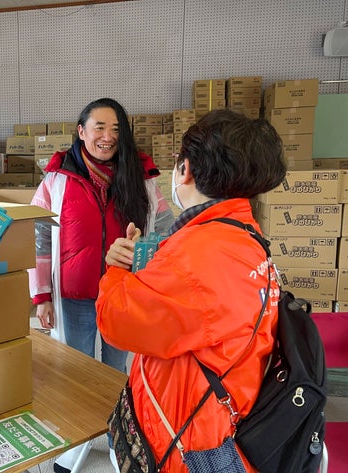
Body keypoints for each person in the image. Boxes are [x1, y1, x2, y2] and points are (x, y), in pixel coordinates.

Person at [97, 108, 287, 473]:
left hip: (186, 439)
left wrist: (117, 270)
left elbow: (116, 321)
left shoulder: (197, 253)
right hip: (227, 411)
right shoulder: (245, 236)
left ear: (186, 170)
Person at [28, 98, 174, 472]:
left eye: (115, 129)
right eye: (99, 128)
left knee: (117, 373)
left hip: (123, 294)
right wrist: (42, 295)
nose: (108, 137)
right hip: (74, 296)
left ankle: (116, 442)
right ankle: (70, 449)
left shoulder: (140, 178)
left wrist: (148, 253)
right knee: (74, 375)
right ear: (81, 131)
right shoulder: (58, 179)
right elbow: (39, 239)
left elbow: (165, 230)